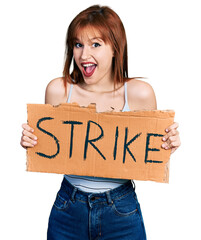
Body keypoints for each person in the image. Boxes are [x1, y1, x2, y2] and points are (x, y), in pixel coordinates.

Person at [20, 5, 181, 240]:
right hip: (68, 209)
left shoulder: (140, 94)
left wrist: (168, 146)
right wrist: (31, 141)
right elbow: (50, 148)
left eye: (96, 44)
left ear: (115, 48)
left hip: (121, 210)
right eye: (78, 44)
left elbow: (148, 152)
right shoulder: (59, 90)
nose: (84, 55)